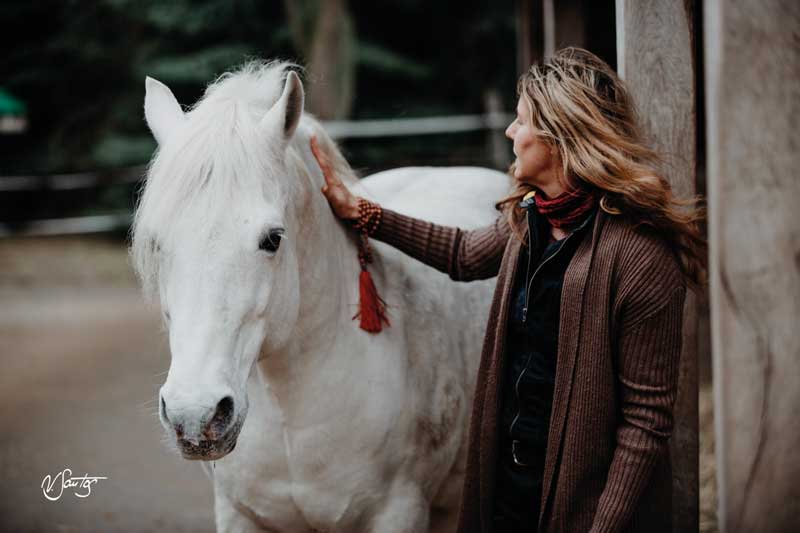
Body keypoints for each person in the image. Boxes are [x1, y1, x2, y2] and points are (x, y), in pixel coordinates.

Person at [310, 47, 706, 533]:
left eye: (521, 123)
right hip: (510, 486)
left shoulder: (642, 258)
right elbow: (462, 253)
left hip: (584, 508)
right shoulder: (530, 217)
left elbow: (646, 424)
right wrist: (364, 214)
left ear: (561, 138)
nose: (510, 134)